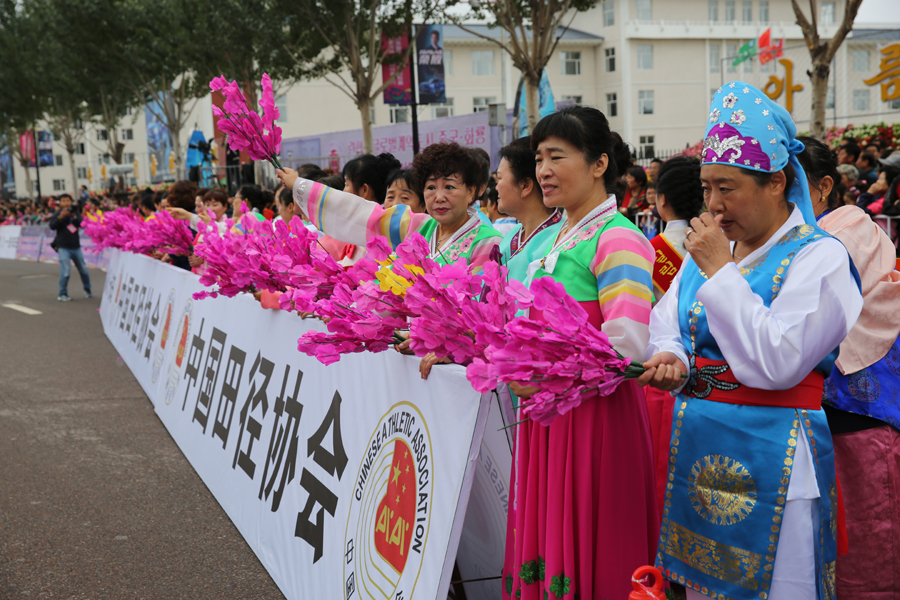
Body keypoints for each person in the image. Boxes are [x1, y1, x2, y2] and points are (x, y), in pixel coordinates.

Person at [641, 82, 863, 600]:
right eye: (706, 188)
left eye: (728, 187)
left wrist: (721, 272)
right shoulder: (714, 253)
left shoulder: (820, 258)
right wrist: (671, 354)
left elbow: (778, 363)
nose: (714, 205)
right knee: (701, 587)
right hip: (696, 451)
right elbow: (667, 319)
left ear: (777, 183)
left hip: (776, 459)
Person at [503, 106, 658, 600]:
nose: (543, 169)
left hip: (594, 419)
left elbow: (627, 346)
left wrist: (545, 375)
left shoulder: (619, 239)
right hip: (548, 415)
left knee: (595, 542)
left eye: (556, 156)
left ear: (598, 164)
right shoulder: (549, 240)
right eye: (538, 158)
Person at [800, 134, 900, 599]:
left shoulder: (844, 229)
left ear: (823, 187)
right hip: (820, 412)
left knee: (869, 529)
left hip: (861, 416)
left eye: (787, 183)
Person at [495, 136, 562, 284]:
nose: (496, 187)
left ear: (525, 186)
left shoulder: (559, 239)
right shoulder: (513, 234)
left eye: (499, 179)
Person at [49, 194, 92, 302]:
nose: (66, 203)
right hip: (63, 247)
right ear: (60, 203)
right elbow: (52, 226)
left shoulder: (75, 213)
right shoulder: (57, 214)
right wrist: (61, 217)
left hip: (76, 247)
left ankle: (88, 290)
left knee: (83, 270)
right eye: (63, 201)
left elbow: (82, 224)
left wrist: (73, 217)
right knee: (66, 271)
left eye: (68, 200)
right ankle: (62, 294)